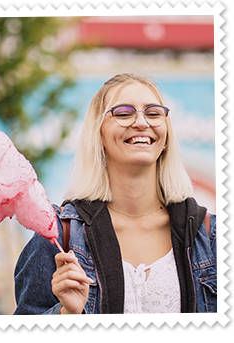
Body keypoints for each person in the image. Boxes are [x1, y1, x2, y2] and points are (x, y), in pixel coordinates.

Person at [14, 73, 216, 314]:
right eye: (123, 113)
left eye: (153, 113)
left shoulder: (211, 236)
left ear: (166, 137)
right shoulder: (58, 236)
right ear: (98, 135)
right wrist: (65, 316)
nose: (142, 122)